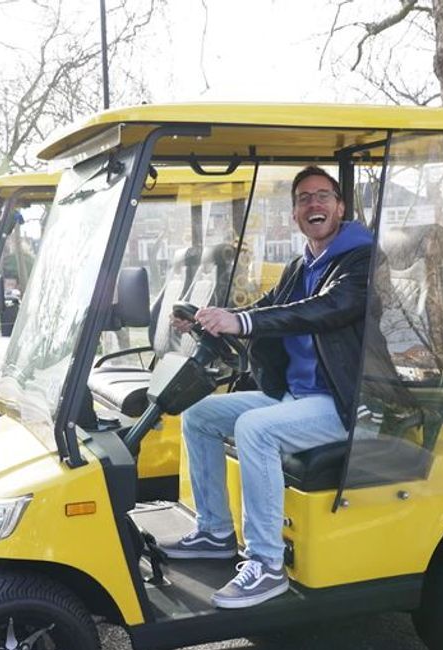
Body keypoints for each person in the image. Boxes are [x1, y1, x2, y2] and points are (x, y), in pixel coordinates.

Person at [160, 166, 374, 610]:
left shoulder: (361, 260)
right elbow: (268, 310)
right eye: (303, 199)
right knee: (200, 415)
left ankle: (266, 563)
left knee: (256, 429)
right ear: (295, 213)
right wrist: (210, 318)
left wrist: (243, 321)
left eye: (322, 196)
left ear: (339, 206)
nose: (313, 205)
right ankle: (217, 531)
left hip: (343, 403)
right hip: (294, 399)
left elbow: (324, 311)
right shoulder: (301, 265)